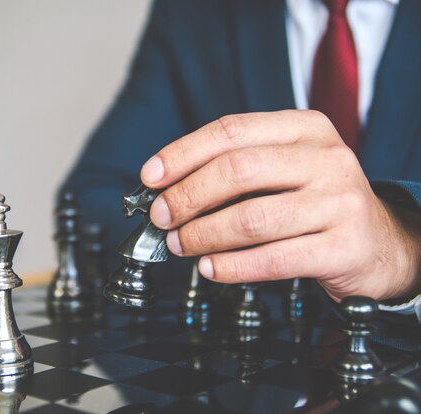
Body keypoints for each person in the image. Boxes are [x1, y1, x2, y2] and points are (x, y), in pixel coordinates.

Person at [60, 0, 421, 319]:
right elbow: (90, 202)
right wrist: (246, 227)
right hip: (252, 370)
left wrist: (406, 254)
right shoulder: (193, 12)